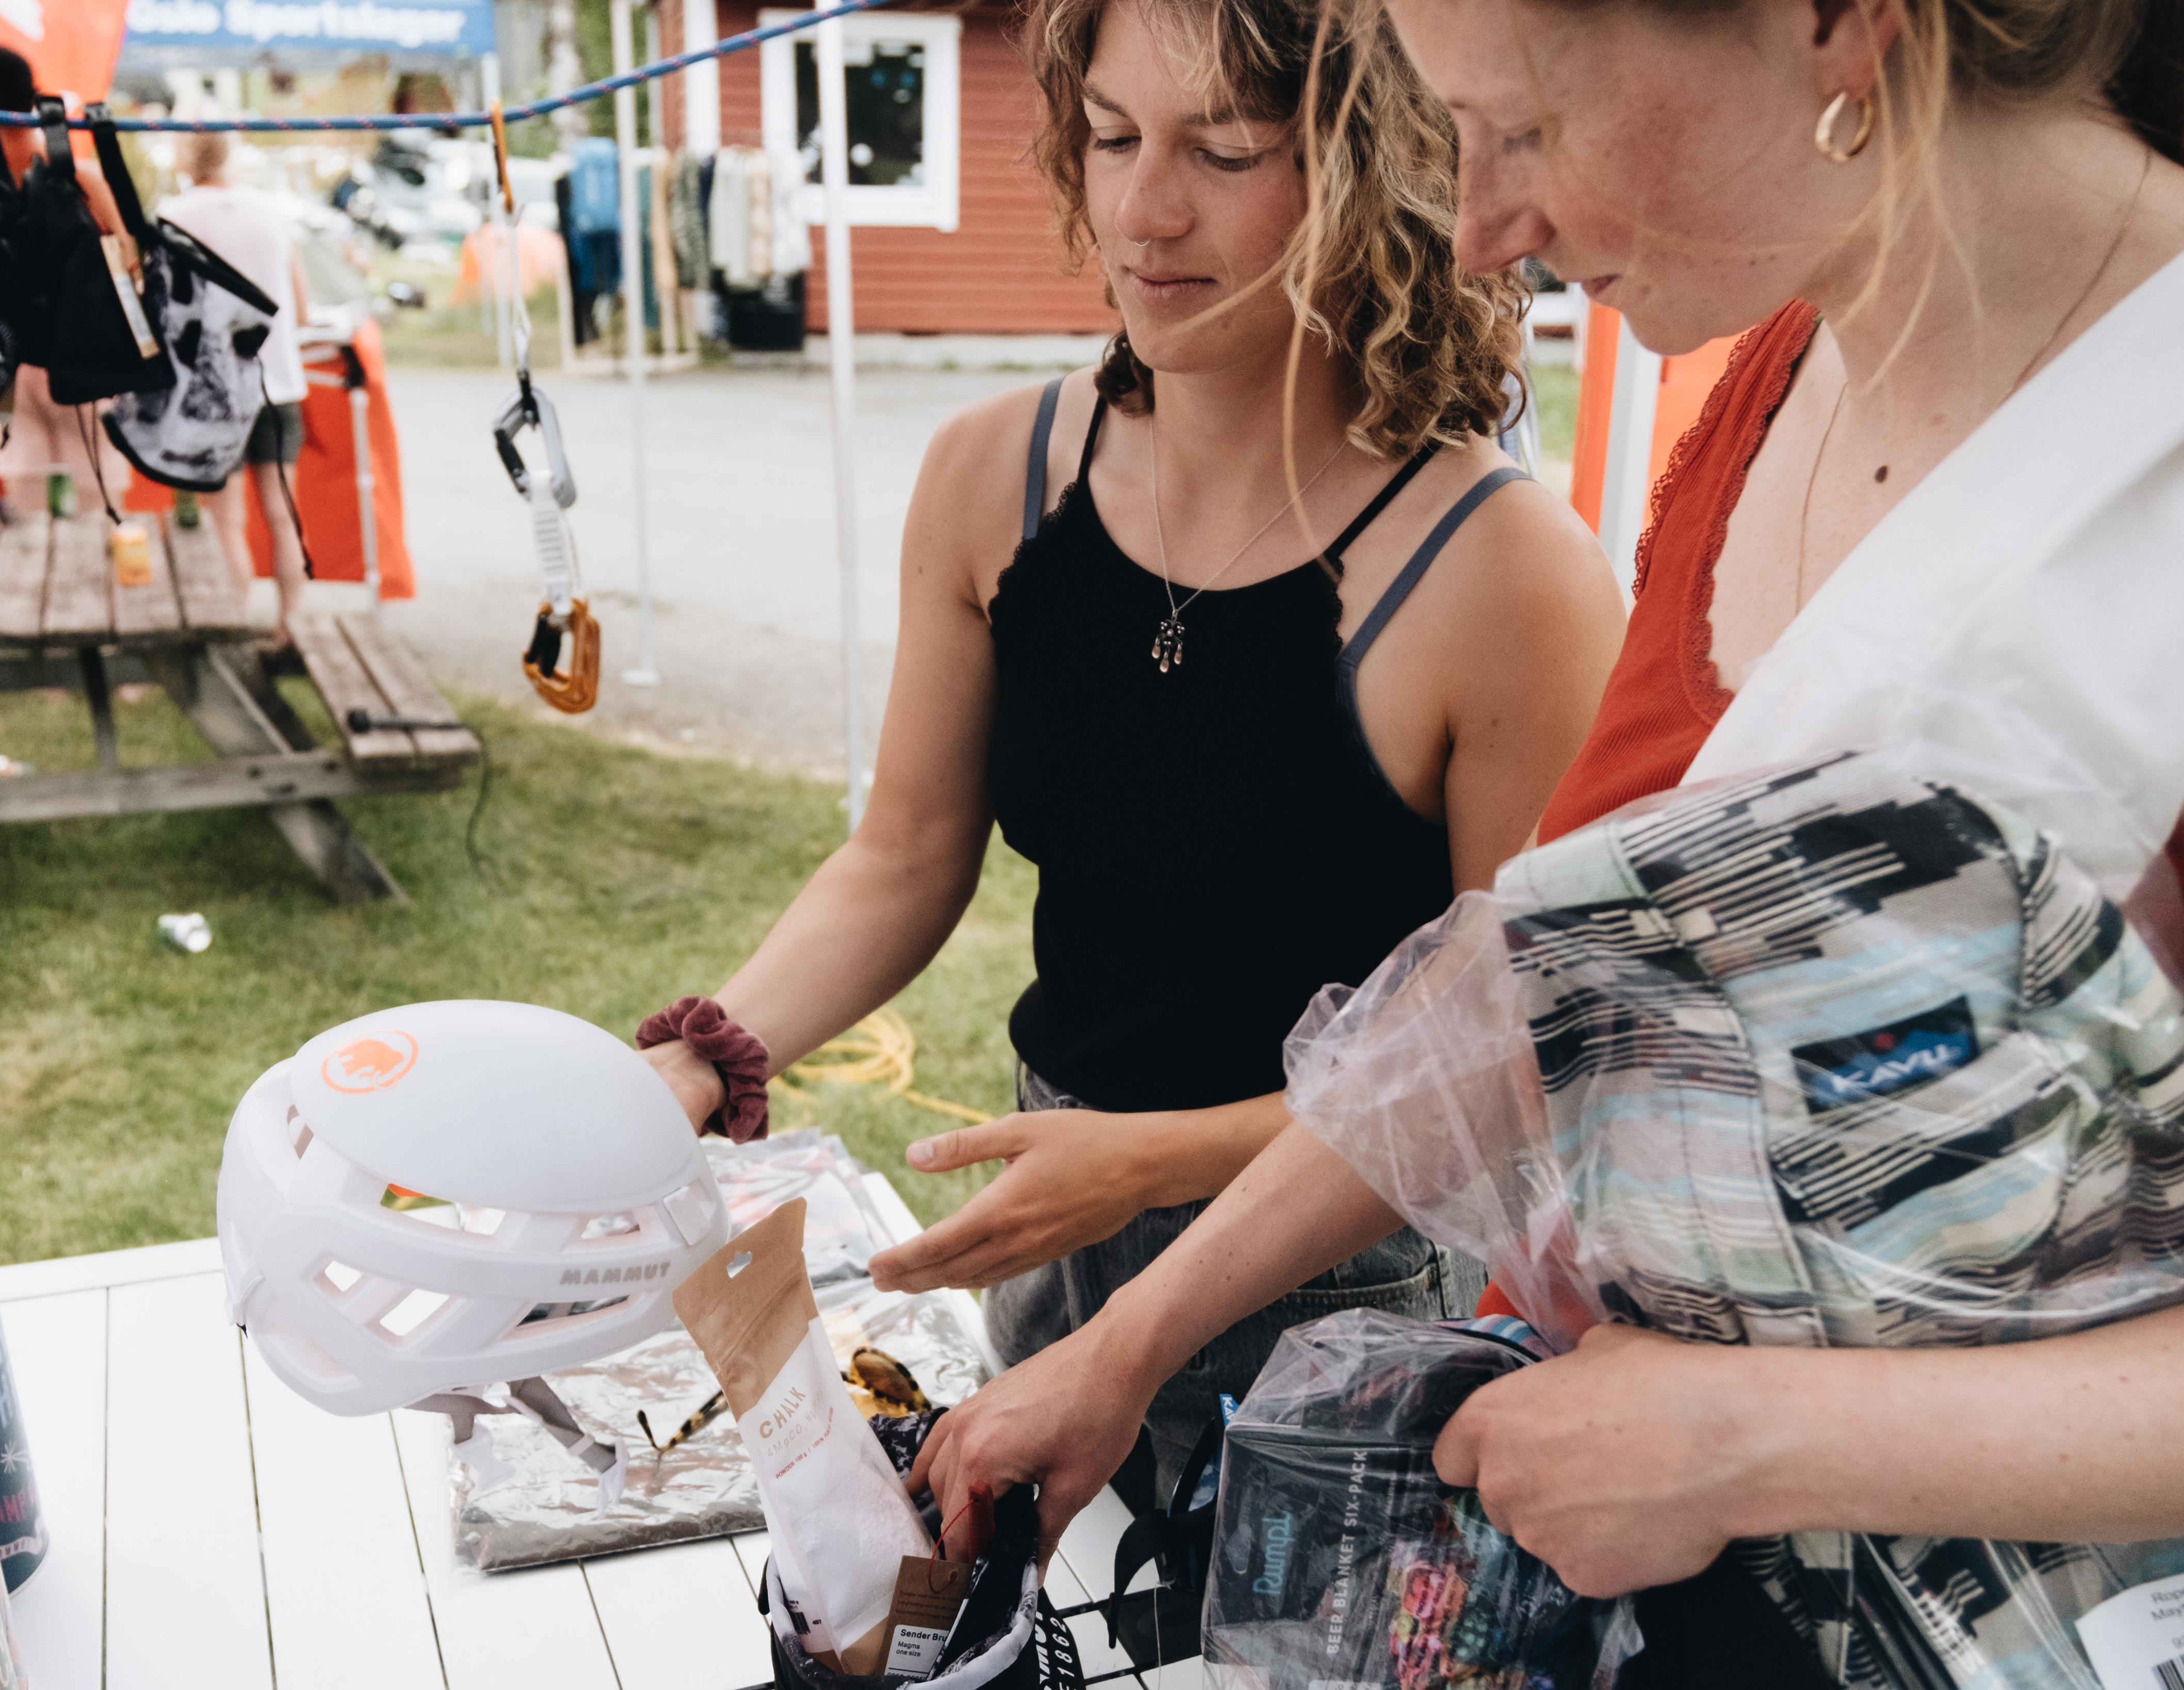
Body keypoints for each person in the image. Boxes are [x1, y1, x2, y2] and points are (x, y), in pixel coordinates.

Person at [911, 1, 2184, 1690]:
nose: (1481, 224)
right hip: (1576, 1642)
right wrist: (1131, 1340)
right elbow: (1536, 982)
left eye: (1517, 122)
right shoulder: (1789, 357)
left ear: (1840, 26)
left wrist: (1745, 1434)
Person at [638, 0, 1619, 1539]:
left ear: (1379, 170)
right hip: (1050, 1228)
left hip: (1337, 1284)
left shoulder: (1503, 579)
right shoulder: (994, 479)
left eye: (1224, 152)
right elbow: (901, 857)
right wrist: (706, 1056)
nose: (1143, 213)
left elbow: (1512, 1066)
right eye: (1110, 137)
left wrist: (1147, 1166)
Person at [156, 128, 314, 643]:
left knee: (227, 517)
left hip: (215, 389)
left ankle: (233, 619)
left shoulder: (176, 216)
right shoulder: (270, 212)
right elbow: (303, 304)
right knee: (280, 510)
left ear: (184, 153)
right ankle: (292, 620)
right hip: (277, 382)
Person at [0, 44, 126, 501]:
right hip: (78, 347)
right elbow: (126, 260)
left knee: (25, 485)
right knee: (99, 483)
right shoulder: (76, 175)